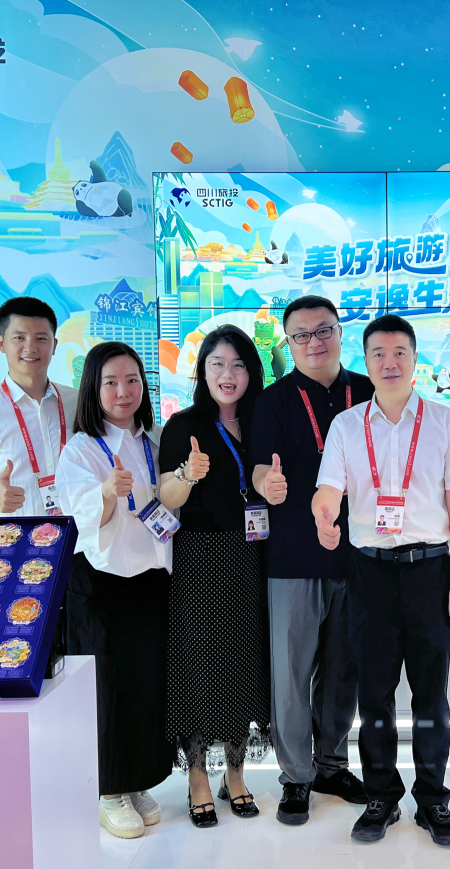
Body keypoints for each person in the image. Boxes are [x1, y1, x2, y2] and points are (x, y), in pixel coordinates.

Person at [312, 315, 450, 846]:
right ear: (365, 361)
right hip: (370, 573)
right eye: (379, 353)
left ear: (414, 359)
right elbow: (328, 488)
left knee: (431, 693)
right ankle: (381, 796)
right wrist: (323, 514)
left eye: (399, 352)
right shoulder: (346, 426)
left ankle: (433, 799)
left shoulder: (445, 422)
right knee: (375, 694)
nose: (389, 362)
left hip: (431, 570)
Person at [249, 296, 373, 824]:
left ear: (341, 333)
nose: (314, 342)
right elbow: (259, 468)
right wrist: (267, 484)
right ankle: (296, 776)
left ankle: (331, 765)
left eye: (324, 330)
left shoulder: (367, 391)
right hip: (293, 555)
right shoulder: (273, 401)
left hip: (359, 554)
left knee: (345, 672)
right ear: (289, 342)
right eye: (301, 335)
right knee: (292, 673)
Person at [56, 342, 173, 840]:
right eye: (110, 382)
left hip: (151, 581)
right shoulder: (81, 449)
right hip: (101, 584)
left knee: (146, 681)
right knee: (106, 687)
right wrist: (106, 492)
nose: (123, 391)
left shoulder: (155, 440)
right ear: (93, 389)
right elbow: (81, 517)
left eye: (132, 380)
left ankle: (138, 779)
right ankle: (108, 790)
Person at [157, 325, 271, 827]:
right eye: (218, 364)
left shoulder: (262, 420)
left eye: (239, 364)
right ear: (202, 372)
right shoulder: (184, 424)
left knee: (245, 661)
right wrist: (189, 474)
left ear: (252, 371)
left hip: (252, 556)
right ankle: (199, 776)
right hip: (200, 557)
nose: (229, 374)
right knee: (199, 665)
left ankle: (236, 773)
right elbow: (167, 497)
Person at [0, 297, 77, 519]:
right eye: (19, 338)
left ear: (54, 345)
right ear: (1, 343)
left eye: (41, 338)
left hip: (77, 535)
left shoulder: (77, 402)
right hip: (15, 537)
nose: (30, 348)